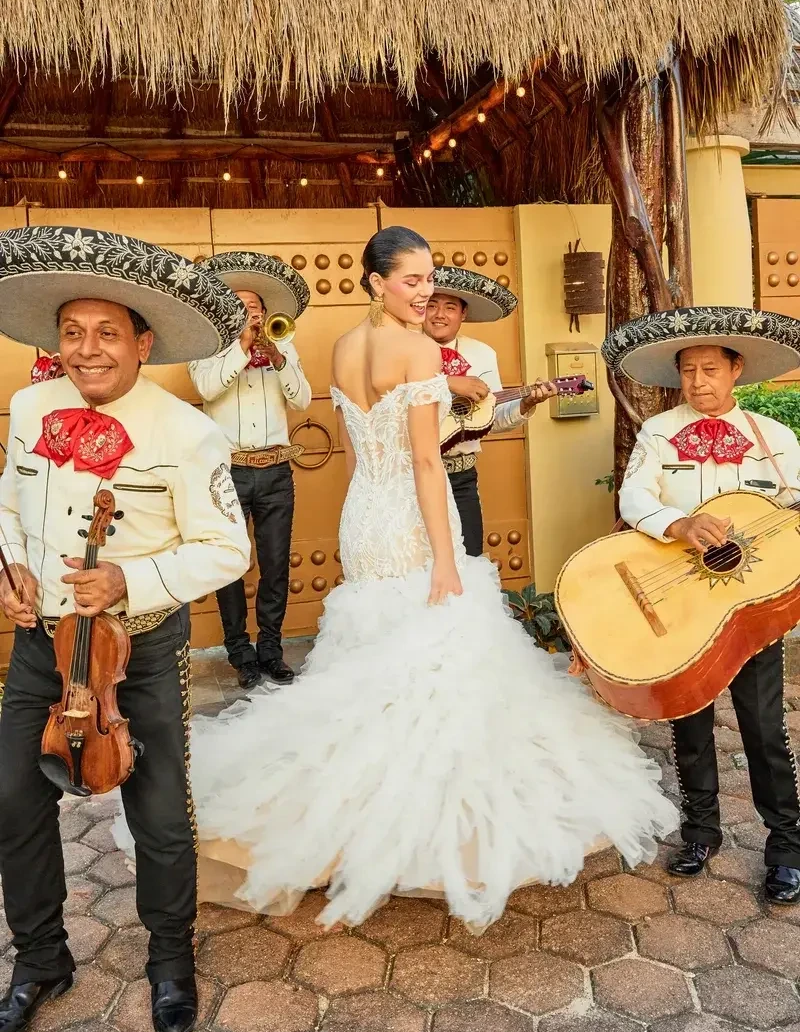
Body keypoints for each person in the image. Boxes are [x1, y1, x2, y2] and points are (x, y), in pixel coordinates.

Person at [115, 224, 676, 933]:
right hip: (411, 515)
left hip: (363, 514)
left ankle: (355, 796)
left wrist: (458, 394)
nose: (425, 293)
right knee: (435, 647)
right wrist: (446, 557)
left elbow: (367, 447)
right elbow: (425, 462)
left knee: (380, 648)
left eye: (429, 279)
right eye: (411, 281)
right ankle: (422, 810)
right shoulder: (415, 350)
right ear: (377, 282)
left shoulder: (346, 348)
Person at [0, 225, 251, 1032]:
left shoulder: (187, 432)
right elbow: (10, 505)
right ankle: (41, 960)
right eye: (72, 332)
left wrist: (128, 580)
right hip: (43, 642)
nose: (86, 349)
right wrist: (9, 570)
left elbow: (226, 548)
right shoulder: (31, 407)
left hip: (134, 648)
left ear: (143, 343)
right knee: (11, 796)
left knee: (161, 814)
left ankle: (171, 961)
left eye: (107, 333)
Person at [606, 305, 800, 903]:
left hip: (752, 608)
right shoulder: (660, 433)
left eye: (711, 369)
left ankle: (787, 846)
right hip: (685, 602)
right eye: (688, 371)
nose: (699, 382)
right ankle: (700, 831)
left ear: (736, 371)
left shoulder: (777, 441)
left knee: (765, 727)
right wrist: (680, 523)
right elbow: (634, 494)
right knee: (688, 719)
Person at [188, 252, 311, 690]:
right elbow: (206, 388)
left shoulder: (284, 346)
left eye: (255, 309)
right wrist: (241, 346)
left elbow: (301, 399)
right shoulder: (209, 349)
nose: (251, 316)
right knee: (230, 566)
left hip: (276, 470)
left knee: (276, 566)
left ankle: (272, 651)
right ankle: (240, 653)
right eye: (241, 309)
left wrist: (277, 357)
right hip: (228, 474)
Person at [423, 267, 556, 555]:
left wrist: (526, 403)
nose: (439, 314)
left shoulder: (481, 354)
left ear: (463, 314)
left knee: (468, 559)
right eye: (431, 305)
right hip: (411, 477)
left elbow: (488, 420)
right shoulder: (401, 351)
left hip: (461, 478)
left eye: (449, 307)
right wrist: (447, 384)